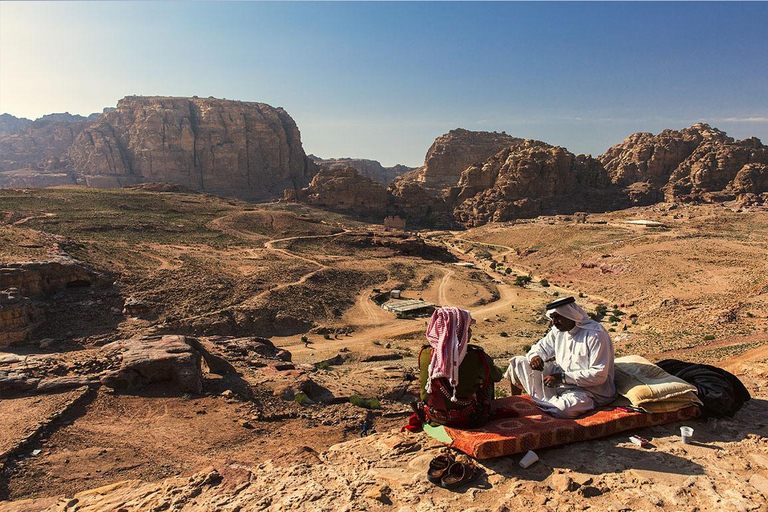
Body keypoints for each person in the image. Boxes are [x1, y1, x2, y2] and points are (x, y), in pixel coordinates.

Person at [505, 296, 616, 418]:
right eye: (552, 318)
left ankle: (546, 404)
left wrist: (562, 378)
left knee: (563, 409)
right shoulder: (558, 331)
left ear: (570, 314)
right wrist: (535, 357)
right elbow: (540, 348)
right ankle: (519, 402)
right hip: (559, 382)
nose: (554, 322)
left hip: (588, 391)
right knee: (518, 363)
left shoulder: (595, 335)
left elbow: (599, 375)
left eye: (557, 317)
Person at [417, 307, 503, 428]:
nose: (470, 332)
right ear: (461, 330)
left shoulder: (424, 353)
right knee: (487, 380)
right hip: (467, 419)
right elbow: (497, 376)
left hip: (432, 417)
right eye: (468, 328)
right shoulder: (476, 356)